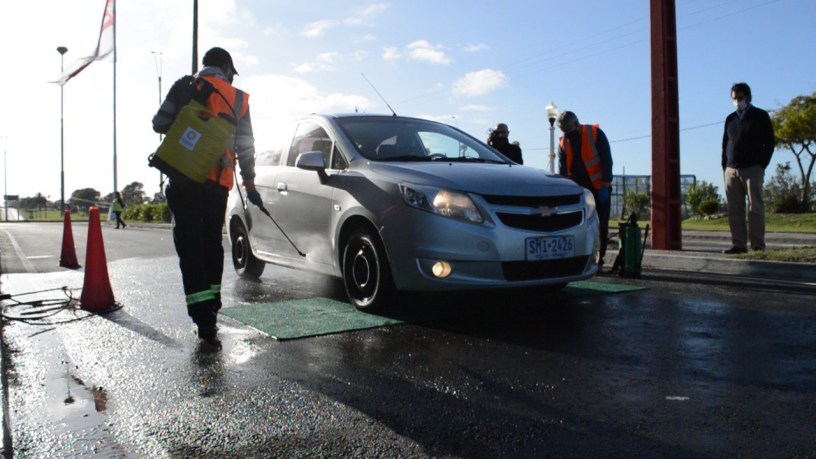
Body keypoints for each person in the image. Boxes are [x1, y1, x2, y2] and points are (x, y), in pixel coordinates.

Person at [151, 47, 263, 349]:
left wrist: (192, 121)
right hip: (217, 186)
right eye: (231, 72)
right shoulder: (238, 99)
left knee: (190, 249)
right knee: (212, 245)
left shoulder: (185, 86)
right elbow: (246, 147)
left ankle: (203, 319)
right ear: (225, 66)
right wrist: (249, 185)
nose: (231, 77)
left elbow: (159, 122)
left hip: (184, 179)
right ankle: (212, 307)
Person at [721, 82, 775, 254]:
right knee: (735, 210)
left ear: (748, 97)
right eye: (734, 98)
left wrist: (761, 165)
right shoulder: (730, 119)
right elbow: (725, 144)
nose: (737, 101)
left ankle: (757, 245)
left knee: (755, 208)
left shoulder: (760, 116)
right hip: (731, 169)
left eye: (740, 97)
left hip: (753, 169)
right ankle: (739, 245)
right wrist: (725, 166)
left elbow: (770, 142)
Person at [557, 111, 613, 269]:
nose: (567, 134)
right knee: (577, 225)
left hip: (599, 188)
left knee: (601, 225)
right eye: (564, 131)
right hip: (578, 191)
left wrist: (605, 185)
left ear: (576, 123)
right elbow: (563, 171)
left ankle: (599, 259)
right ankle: (577, 259)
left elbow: (607, 161)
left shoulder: (595, 134)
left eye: (569, 130)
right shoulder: (563, 143)